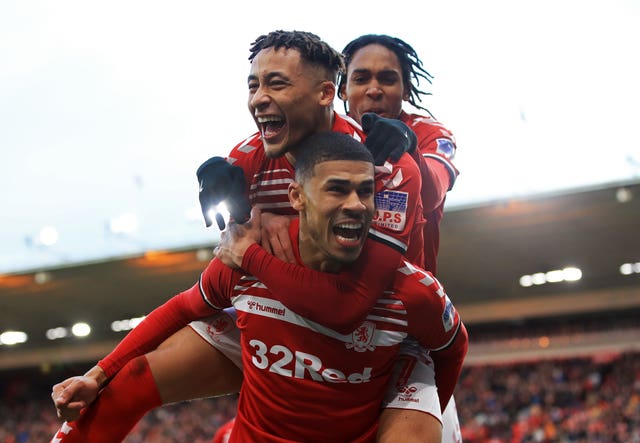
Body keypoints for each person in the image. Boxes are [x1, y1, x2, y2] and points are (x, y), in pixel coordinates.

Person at [50, 31, 436, 443]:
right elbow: (213, 280)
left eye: (277, 83)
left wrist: (263, 241)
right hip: (281, 318)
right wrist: (98, 373)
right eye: (253, 85)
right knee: (130, 381)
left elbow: (352, 303)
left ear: (326, 93)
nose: (258, 98)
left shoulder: (384, 166)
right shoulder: (248, 161)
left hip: (379, 336)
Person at [65, 132, 468, 441]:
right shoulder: (242, 260)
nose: (357, 204)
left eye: (366, 191)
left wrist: (420, 401)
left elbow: (452, 345)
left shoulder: (409, 291)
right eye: (337, 189)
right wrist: (98, 374)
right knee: (129, 381)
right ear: (295, 196)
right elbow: (183, 307)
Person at [338, 34, 462, 441]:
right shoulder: (322, 139)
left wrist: (405, 147)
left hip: (405, 333)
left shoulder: (428, 133)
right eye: (361, 78)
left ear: (405, 89)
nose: (374, 88)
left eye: (388, 78)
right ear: (342, 88)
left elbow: (433, 191)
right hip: (328, 323)